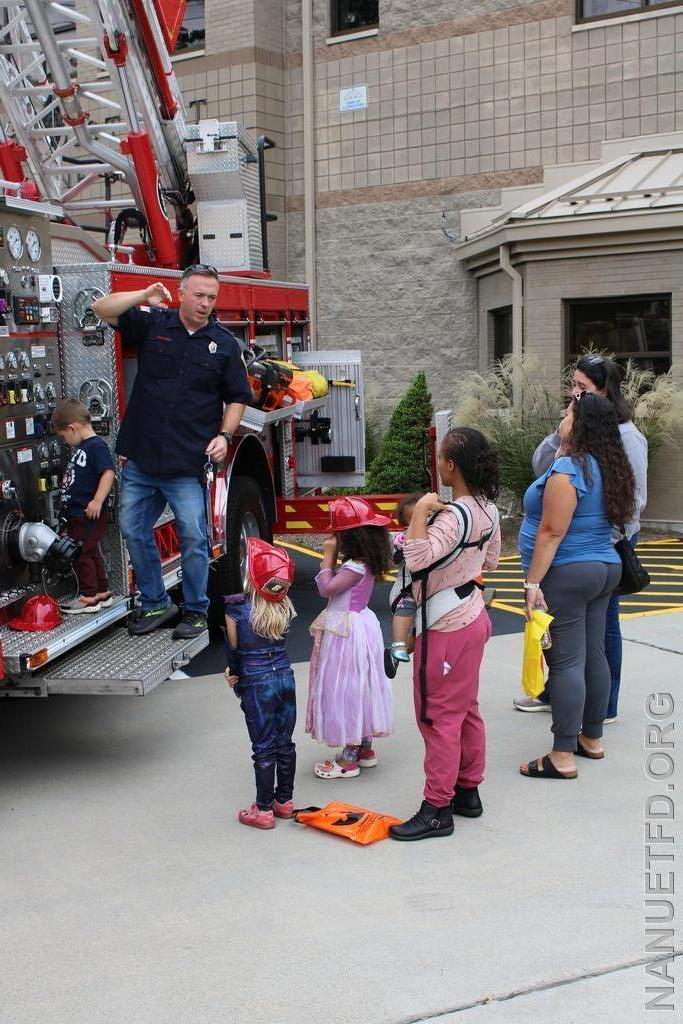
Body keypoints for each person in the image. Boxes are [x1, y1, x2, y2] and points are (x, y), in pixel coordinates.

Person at [92, 266, 252, 640]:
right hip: (142, 459)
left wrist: (225, 436)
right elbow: (101, 308)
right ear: (181, 293)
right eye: (198, 295)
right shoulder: (153, 323)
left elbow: (238, 398)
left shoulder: (224, 345)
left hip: (186, 463)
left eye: (212, 297)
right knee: (133, 530)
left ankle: (196, 610)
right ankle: (156, 602)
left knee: (195, 538)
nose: (205, 303)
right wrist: (141, 295)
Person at [514, 355, 647, 721]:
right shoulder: (574, 445)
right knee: (573, 641)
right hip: (579, 554)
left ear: (604, 393)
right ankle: (572, 706)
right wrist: (563, 433)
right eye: (573, 386)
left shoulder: (625, 440)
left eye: (583, 390)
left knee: (596, 636)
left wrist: (535, 579)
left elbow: (629, 501)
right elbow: (540, 465)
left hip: (590, 552)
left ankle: (596, 712)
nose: (574, 396)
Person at [389, 428, 501, 842]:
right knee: (466, 709)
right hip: (473, 616)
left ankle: (437, 808)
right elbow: (489, 558)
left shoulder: (453, 516)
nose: (438, 464)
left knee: (437, 717)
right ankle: (467, 791)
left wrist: (419, 511)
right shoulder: (487, 509)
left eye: (441, 458)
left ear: (452, 466)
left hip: (445, 627)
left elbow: (416, 558)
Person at [518, 392, 635, 780]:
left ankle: (562, 754)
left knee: (566, 662)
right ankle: (592, 738)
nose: (563, 415)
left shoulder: (570, 469)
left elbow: (551, 532)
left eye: (568, 411)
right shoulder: (609, 466)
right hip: (605, 569)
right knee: (594, 654)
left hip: (569, 572)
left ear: (580, 423)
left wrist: (533, 582)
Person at [306, 496, 394, 779]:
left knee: (346, 688)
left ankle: (349, 758)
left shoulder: (354, 567)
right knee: (361, 684)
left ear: (349, 536)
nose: (333, 538)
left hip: (347, 633)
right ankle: (365, 748)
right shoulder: (363, 562)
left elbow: (327, 589)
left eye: (336, 534)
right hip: (359, 626)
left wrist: (327, 557)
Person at [224, 538, 297, 831]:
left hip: (256, 681)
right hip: (285, 676)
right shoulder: (284, 607)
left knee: (263, 747)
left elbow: (234, 653)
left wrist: (234, 676)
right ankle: (284, 801)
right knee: (285, 743)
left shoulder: (236, 610)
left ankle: (263, 809)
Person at [52, 399, 116, 614]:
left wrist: (97, 500)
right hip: (79, 514)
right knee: (91, 550)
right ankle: (102, 592)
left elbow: (108, 473)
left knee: (80, 553)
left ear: (72, 427)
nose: (66, 442)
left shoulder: (96, 446)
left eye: (64, 437)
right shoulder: (85, 448)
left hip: (87, 513)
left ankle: (88, 596)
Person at [384, 492, 422, 679]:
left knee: (417, 639)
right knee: (404, 612)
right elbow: (396, 560)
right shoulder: (402, 539)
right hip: (405, 591)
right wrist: (407, 546)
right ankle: (398, 644)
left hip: (425, 594)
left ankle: (395, 655)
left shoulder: (438, 533)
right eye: (412, 520)